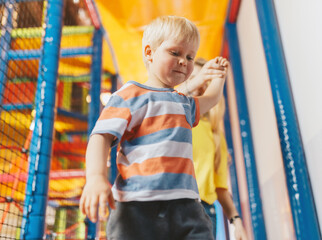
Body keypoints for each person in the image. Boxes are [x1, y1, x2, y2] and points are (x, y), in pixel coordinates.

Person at [79, 16, 228, 240]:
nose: (184, 62)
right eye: (175, 53)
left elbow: (211, 99)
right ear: (149, 53)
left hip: (186, 205)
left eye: (190, 56)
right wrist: (95, 177)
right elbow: (100, 137)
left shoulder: (184, 103)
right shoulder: (130, 96)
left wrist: (218, 76)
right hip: (137, 205)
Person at [177, 58, 248, 240]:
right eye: (193, 77)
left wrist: (236, 220)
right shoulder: (172, 119)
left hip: (204, 211)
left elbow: (220, 187)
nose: (199, 82)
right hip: (172, 207)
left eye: (205, 79)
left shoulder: (215, 134)